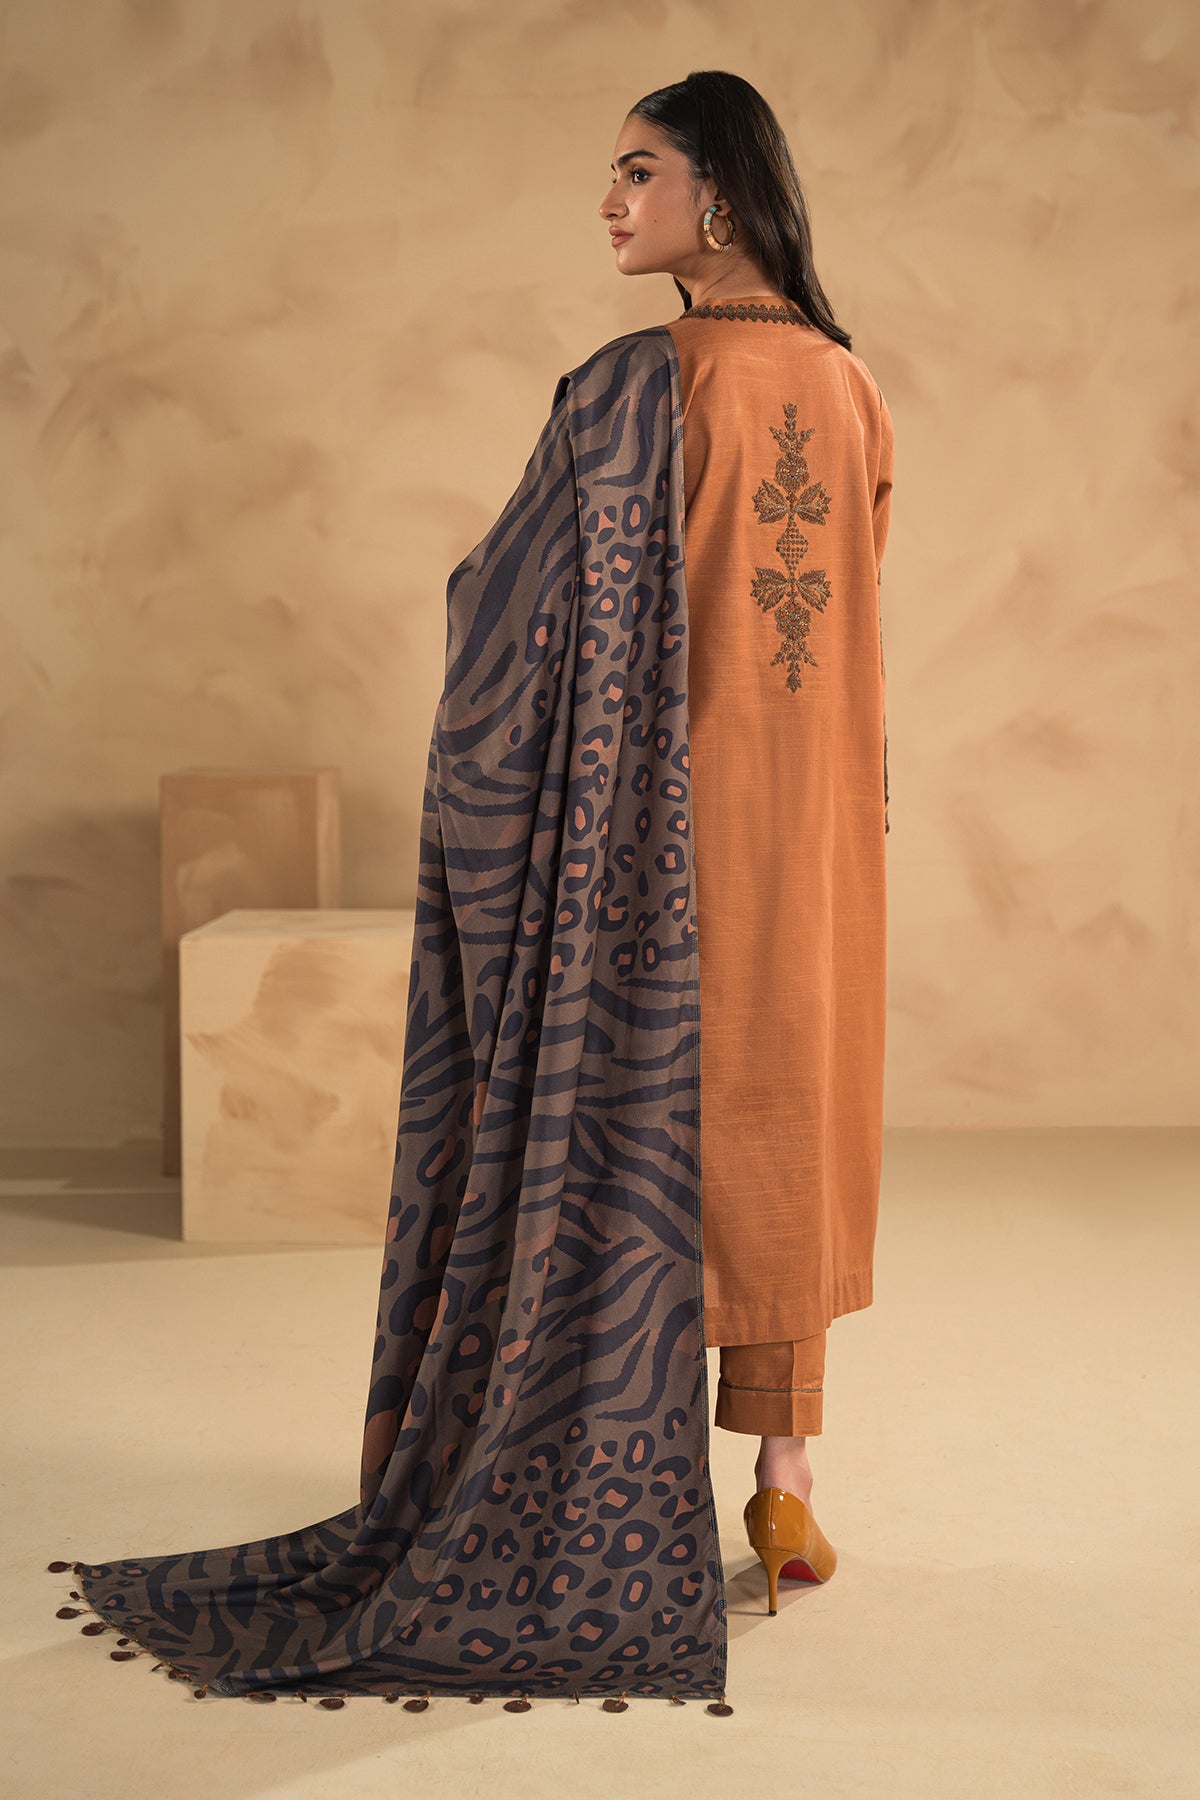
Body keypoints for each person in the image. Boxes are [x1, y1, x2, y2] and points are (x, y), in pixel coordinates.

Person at [48, 69, 892, 1710]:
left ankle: (606, 1473)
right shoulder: (853, 385)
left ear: (717, 195)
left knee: (650, 1136)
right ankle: (785, 1480)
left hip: (660, 853)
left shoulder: (637, 386)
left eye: (638, 172)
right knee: (784, 1129)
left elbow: (505, 604)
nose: (610, 202)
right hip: (820, 840)